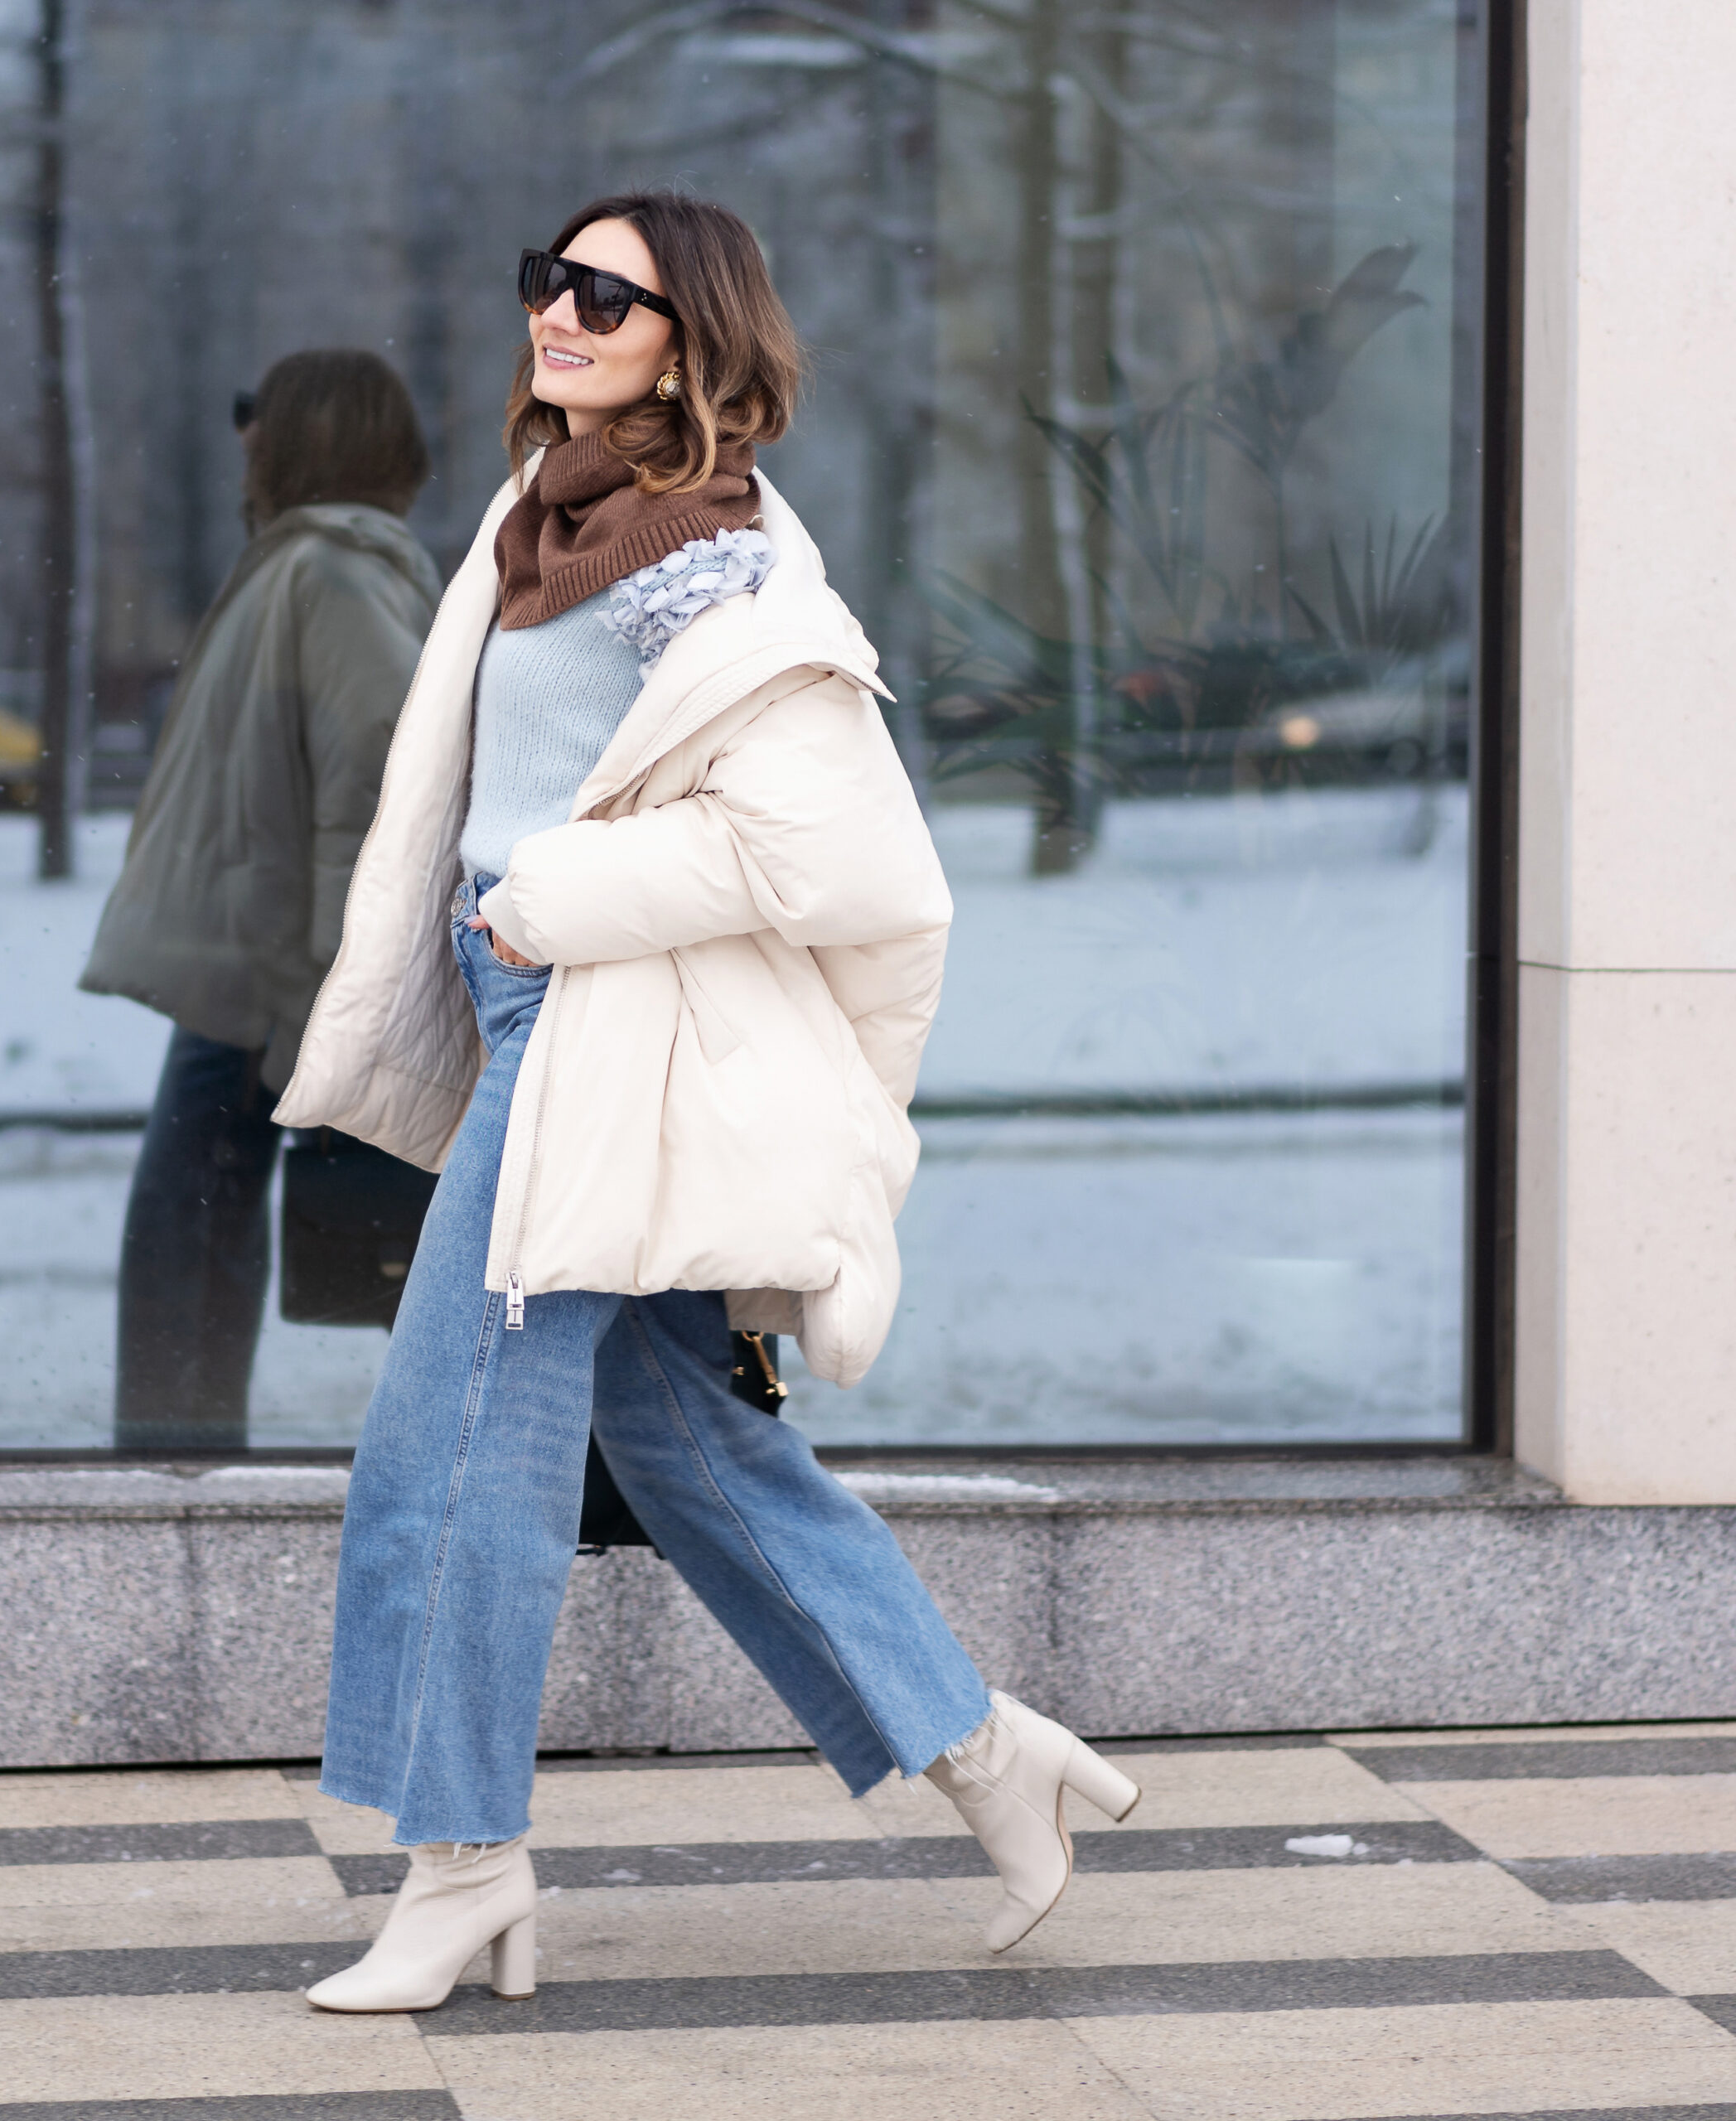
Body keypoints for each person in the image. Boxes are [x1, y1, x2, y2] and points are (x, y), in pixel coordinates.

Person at [276, 193, 1144, 2013]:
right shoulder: (543, 519)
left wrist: (550, 901)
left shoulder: (725, 566)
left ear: (694, 335)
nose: (558, 311)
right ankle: (989, 1750)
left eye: (607, 293)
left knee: (450, 1441)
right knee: (687, 1440)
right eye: (547, 279)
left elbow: (816, 851)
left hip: (598, 1032)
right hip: (537, 1012)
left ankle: (462, 1861)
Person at [80, 350, 442, 1452]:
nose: (244, 438)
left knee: (189, 1244)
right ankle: (177, 1473)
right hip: (259, 968)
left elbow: (377, 786)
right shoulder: (315, 567)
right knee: (195, 1242)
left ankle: (173, 1482)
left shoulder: (330, 576)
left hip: (270, 980)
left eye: (262, 417)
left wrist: (327, 1008)